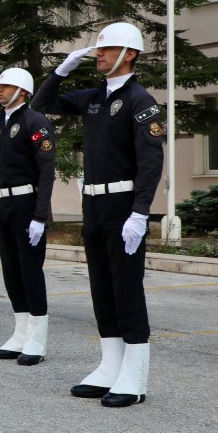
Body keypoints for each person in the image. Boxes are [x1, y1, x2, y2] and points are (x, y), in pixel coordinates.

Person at [33, 22, 164, 407]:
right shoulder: (94, 97)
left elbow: (151, 162)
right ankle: (110, 366)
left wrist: (141, 213)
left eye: (107, 50)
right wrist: (60, 71)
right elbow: (41, 105)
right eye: (98, 51)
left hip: (124, 205)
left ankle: (135, 376)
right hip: (94, 204)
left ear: (131, 55)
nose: (99, 55)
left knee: (126, 289)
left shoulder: (141, 101)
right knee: (101, 288)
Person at [0, 68, 56, 366]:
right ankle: (20, 334)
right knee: (11, 273)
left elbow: (46, 171)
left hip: (26, 204)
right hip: (3, 205)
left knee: (30, 272)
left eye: (6, 86)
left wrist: (40, 216)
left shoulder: (35, 121)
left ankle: (37, 340)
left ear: (23, 91)